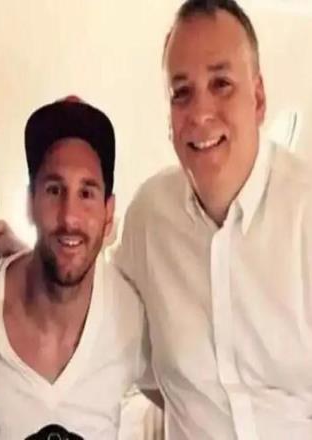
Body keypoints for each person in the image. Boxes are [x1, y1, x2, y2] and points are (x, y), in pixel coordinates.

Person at [115, 0, 312, 438]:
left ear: (258, 98)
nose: (200, 114)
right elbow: (110, 332)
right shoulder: (148, 218)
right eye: (181, 92)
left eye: (221, 84)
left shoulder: (304, 213)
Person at [0, 97, 151, 439]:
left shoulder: (133, 316)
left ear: (108, 213)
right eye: (54, 190)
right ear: (30, 202)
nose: (69, 217)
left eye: (86, 193)